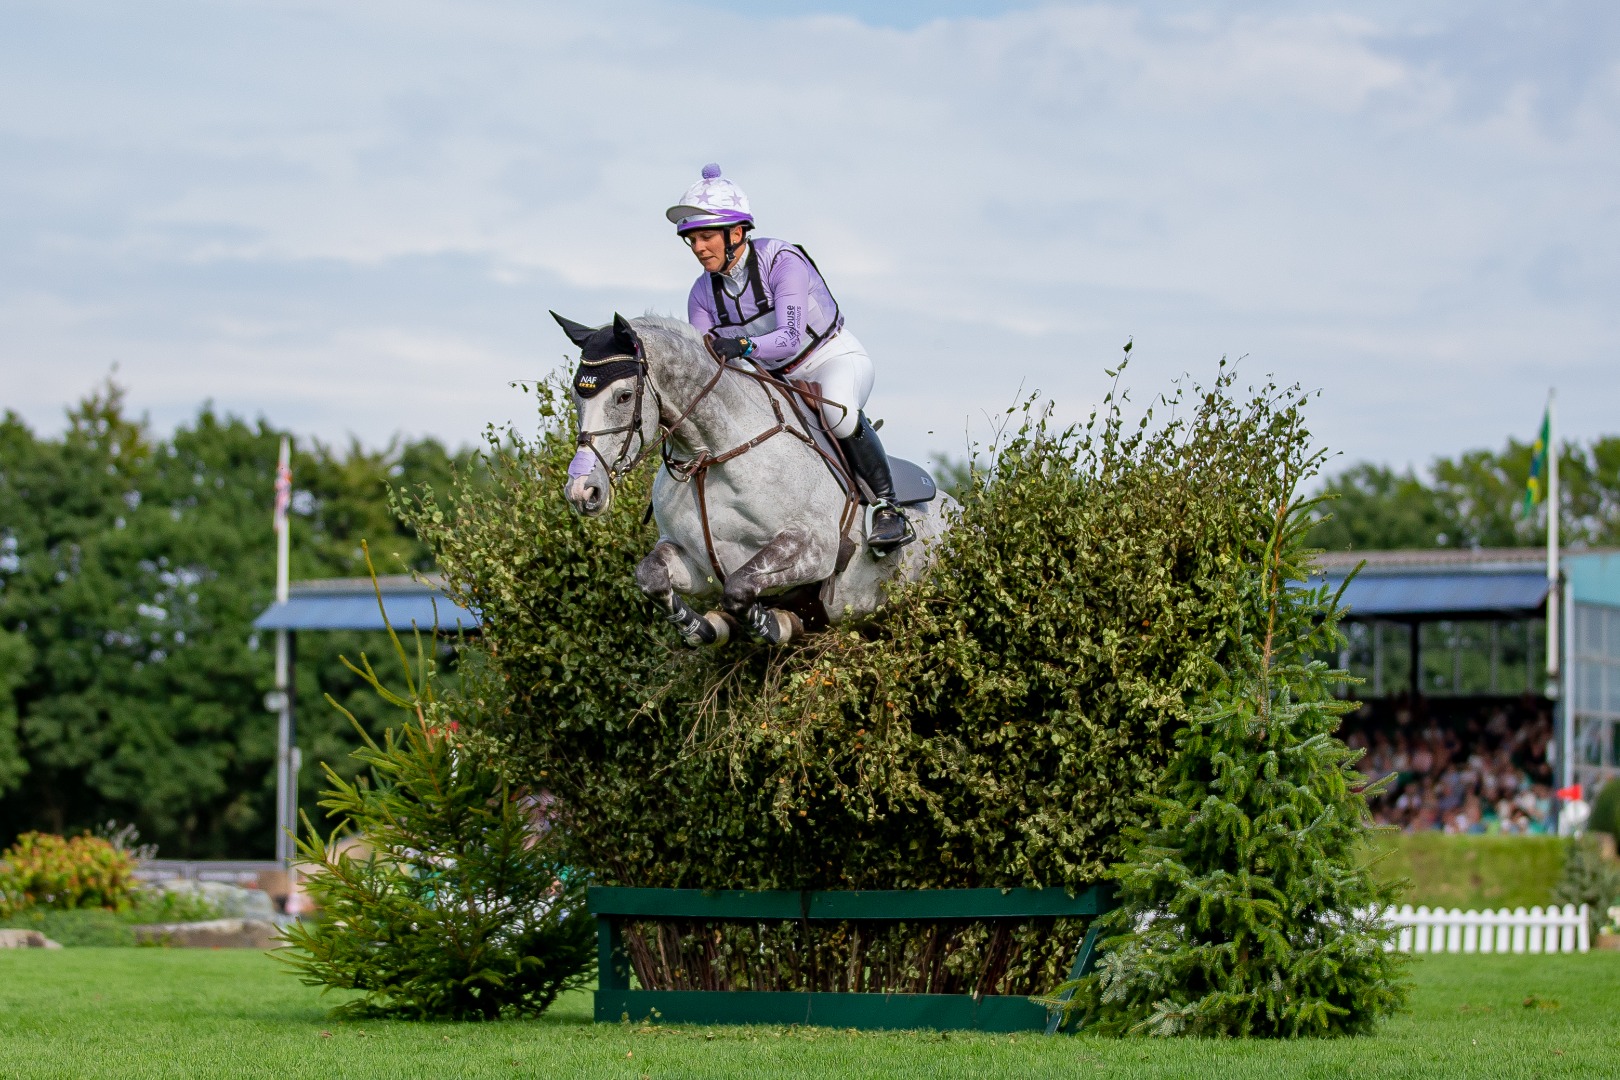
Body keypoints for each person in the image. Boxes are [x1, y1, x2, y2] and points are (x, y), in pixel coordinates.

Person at [665, 164, 910, 550]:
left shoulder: (782, 261)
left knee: (837, 413)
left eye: (706, 237)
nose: (698, 248)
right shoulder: (701, 293)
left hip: (830, 358)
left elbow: (791, 338)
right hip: (772, 380)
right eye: (691, 240)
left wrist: (743, 347)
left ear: (737, 232)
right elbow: (706, 358)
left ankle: (888, 508)